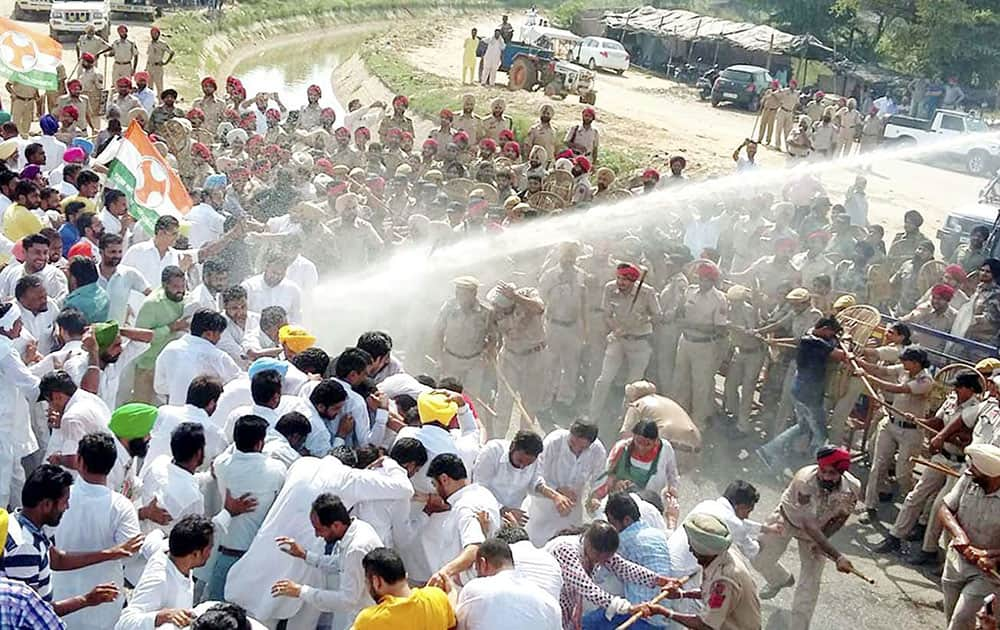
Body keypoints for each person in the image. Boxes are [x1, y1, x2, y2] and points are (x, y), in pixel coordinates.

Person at [874, 371, 982, 563]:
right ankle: (895, 537)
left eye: (959, 386)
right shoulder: (951, 400)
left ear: (971, 389)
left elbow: (973, 442)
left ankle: (928, 550)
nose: (955, 389)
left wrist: (952, 439)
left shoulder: (977, 410)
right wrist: (919, 421)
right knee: (915, 495)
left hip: (959, 464)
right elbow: (938, 422)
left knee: (939, 506)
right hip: (941, 457)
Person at [1, 463, 134, 616]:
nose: (67, 507)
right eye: (65, 501)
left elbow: (57, 559)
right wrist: (87, 599)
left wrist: (110, 553)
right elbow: (31, 614)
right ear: (47, 505)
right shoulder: (25, 547)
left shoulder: (21, 522)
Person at [752, 446, 860, 629]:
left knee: (809, 585)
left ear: (841, 473)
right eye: (822, 470)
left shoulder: (853, 487)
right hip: (787, 520)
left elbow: (841, 516)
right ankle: (780, 579)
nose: (825, 476)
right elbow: (808, 524)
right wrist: (837, 556)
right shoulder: (804, 480)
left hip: (818, 532)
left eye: (831, 473)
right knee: (759, 558)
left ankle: (798, 626)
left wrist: (824, 539)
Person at [51, 433, 141, 630]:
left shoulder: (59, 498)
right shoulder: (122, 506)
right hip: (104, 604)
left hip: (62, 599)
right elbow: (131, 555)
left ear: (80, 461)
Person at [269, 493, 384, 630]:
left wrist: (301, 591)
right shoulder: (359, 528)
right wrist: (305, 555)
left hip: (361, 620)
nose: (317, 535)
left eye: (319, 529)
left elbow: (347, 600)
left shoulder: (356, 549)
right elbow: (340, 563)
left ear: (336, 525)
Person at [204, 414, 287, 601]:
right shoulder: (276, 470)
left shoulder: (221, 465)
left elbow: (219, 462)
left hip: (226, 554)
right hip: (257, 560)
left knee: (215, 613)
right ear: (259, 443)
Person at [545, 521, 678, 629]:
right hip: (546, 604)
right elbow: (587, 588)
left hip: (566, 609)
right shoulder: (566, 550)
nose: (601, 562)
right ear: (590, 546)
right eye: (598, 558)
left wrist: (660, 580)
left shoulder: (598, 551)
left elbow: (624, 568)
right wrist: (628, 608)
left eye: (605, 558)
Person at [757, 317, 850, 468]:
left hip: (800, 390)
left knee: (803, 426)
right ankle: (823, 466)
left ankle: (769, 450)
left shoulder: (810, 336)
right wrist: (847, 341)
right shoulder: (816, 342)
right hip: (810, 395)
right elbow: (842, 355)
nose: (831, 336)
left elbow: (829, 343)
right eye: (830, 333)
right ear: (825, 329)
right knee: (821, 435)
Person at [643, 513, 761, 630]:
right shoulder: (724, 554)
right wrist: (682, 594)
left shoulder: (725, 580)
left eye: (693, 548)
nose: (690, 549)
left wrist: (665, 612)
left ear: (705, 552)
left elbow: (705, 625)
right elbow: (710, 593)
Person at [856, 346, 934, 515]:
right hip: (890, 424)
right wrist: (857, 362)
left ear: (915, 363)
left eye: (905, 360)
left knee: (902, 475)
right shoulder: (903, 370)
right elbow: (881, 369)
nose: (902, 362)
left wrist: (868, 377)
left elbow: (899, 389)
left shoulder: (925, 381)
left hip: (911, 431)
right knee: (877, 467)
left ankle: (915, 504)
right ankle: (870, 507)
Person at [589, 263, 662, 428]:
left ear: (633, 281)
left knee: (633, 385)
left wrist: (642, 319)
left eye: (625, 280)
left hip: (640, 341)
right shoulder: (610, 289)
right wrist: (616, 328)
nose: (620, 282)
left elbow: (658, 316)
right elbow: (606, 314)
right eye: (619, 278)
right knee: (604, 379)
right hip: (618, 340)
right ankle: (593, 416)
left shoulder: (647, 292)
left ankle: (626, 422)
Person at [115, 515, 215, 630]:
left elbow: (152, 540)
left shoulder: (174, 554)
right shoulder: (159, 579)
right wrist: (160, 617)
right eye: (209, 549)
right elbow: (124, 624)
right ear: (195, 554)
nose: (210, 554)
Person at [938, 443, 1000, 630]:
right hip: (955, 563)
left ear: (992, 476)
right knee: (952, 620)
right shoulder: (969, 478)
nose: (970, 472)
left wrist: (988, 554)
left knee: (960, 620)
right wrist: (959, 536)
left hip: (986, 575)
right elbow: (945, 508)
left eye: (976, 470)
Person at [423, 453, 501, 589]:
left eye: (435, 484)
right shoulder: (483, 493)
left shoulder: (465, 506)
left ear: (444, 479)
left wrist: (444, 573)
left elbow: (474, 548)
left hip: (466, 588)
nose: (436, 490)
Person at [526, 421, 606, 545]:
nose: (576, 449)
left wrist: (594, 497)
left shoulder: (598, 451)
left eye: (582, 448)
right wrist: (557, 491)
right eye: (573, 444)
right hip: (544, 502)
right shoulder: (554, 441)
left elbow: (600, 479)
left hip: (572, 507)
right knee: (534, 541)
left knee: (568, 543)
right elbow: (536, 472)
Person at [455, 538, 561, 630]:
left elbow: (455, 625)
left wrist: (451, 594)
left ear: (483, 564)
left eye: (477, 570)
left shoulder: (475, 588)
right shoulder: (549, 601)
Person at [672, 261, 727, 430]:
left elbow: (719, 328)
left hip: (704, 345)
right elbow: (679, 312)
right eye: (701, 278)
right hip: (686, 341)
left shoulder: (719, 299)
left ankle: (698, 423)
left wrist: (692, 325)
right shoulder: (690, 291)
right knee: (680, 381)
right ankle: (678, 418)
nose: (703, 282)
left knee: (700, 386)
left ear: (713, 281)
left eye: (707, 280)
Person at [603, 493, 673, 625]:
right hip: (662, 616)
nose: (610, 528)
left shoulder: (622, 540)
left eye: (612, 523)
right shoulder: (657, 534)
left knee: (588, 622)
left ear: (627, 520)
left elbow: (601, 572)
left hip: (640, 616)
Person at [352, 547, 456, 629]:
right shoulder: (437, 597)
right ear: (405, 576)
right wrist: (452, 593)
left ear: (377, 582)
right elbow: (452, 622)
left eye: (367, 582)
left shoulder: (369, 620)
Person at [154, 309, 241, 405]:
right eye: (219, 334)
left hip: (175, 413)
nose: (219, 338)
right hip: (207, 414)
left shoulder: (170, 349)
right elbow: (238, 385)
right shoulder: (218, 357)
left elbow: (159, 386)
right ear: (209, 334)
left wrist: (178, 389)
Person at [133, 266, 190, 403]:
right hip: (149, 366)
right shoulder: (151, 304)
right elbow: (139, 338)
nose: (180, 290)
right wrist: (171, 327)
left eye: (183, 286)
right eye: (176, 286)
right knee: (144, 408)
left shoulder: (186, 299)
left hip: (174, 366)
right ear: (165, 285)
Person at [144, 27, 174, 95]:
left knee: (159, 86)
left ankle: (161, 102)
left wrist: (165, 62)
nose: (154, 35)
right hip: (150, 66)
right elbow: (149, 56)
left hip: (158, 67)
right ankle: (151, 102)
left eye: (155, 33)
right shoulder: (150, 43)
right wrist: (146, 67)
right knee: (149, 87)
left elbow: (171, 52)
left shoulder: (162, 43)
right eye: (152, 34)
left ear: (158, 34)